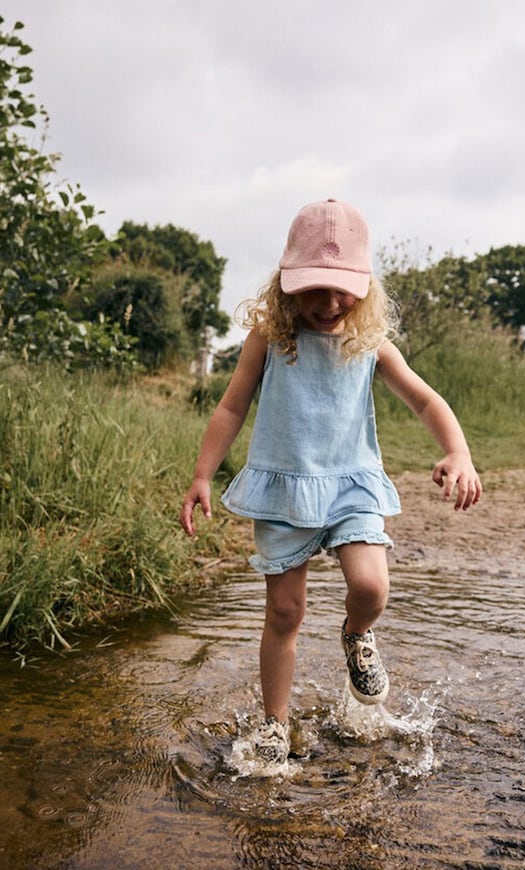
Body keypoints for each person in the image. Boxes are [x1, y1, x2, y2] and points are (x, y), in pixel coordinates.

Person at [180, 198, 482, 765]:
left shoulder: (369, 345)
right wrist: (202, 475)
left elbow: (423, 398)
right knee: (285, 613)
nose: (329, 302)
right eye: (314, 288)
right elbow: (229, 409)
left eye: (342, 288)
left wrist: (457, 450)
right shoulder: (268, 338)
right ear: (288, 284)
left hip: (350, 486)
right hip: (284, 488)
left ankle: (356, 634)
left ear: (364, 285)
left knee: (371, 588)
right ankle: (275, 724)